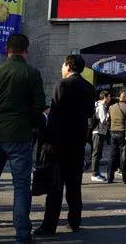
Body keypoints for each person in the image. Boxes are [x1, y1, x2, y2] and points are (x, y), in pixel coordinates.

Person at [0, 34, 46, 244]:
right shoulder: (32, 73)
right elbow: (39, 106)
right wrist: (30, 124)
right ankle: (22, 235)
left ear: (7, 50)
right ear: (26, 50)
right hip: (20, 135)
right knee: (21, 186)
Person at [35, 54, 95, 236]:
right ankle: (74, 221)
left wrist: (46, 140)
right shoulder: (89, 87)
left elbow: (55, 115)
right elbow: (90, 113)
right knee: (74, 185)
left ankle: (49, 225)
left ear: (68, 66)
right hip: (78, 142)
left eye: (63, 65)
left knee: (56, 186)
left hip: (60, 142)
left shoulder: (63, 84)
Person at [106, 91, 126, 184]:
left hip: (113, 132)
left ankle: (109, 177)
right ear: (125, 98)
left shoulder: (112, 107)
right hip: (122, 132)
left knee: (112, 155)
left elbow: (108, 120)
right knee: (123, 155)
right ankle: (125, 178)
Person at [90, 91, 111, 182]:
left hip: (99, 132)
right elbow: (103, 120)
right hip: (98, 132)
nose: (110, 98)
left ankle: (97, 172)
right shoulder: (101, 106)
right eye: (109, 97)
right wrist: (109, 115)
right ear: (104, 97)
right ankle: (94, 174)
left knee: (98, 153)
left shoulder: (100, 105)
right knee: (96, 153)